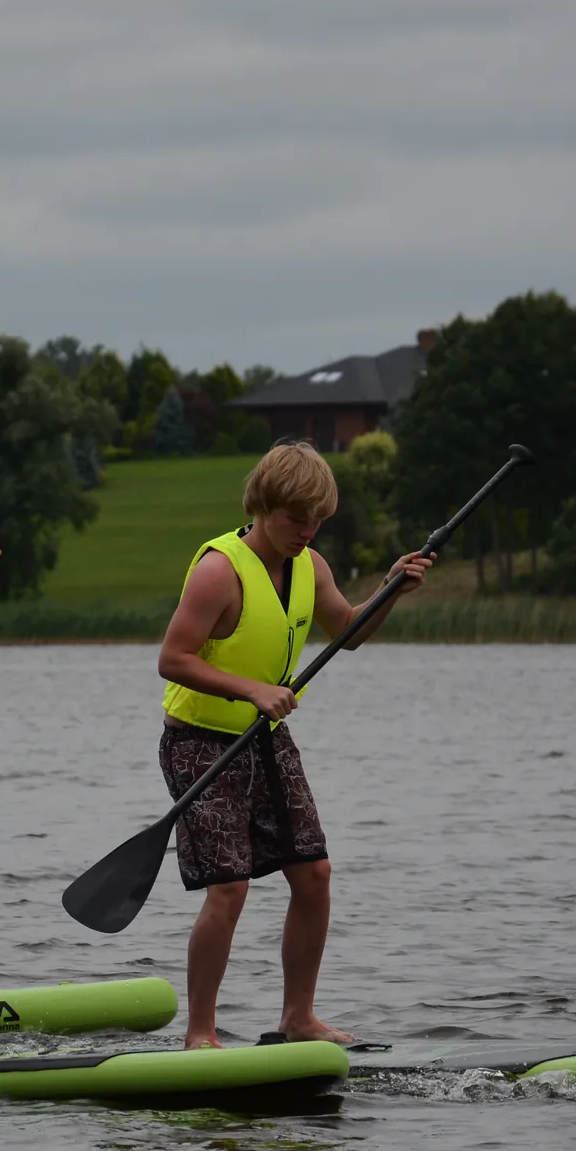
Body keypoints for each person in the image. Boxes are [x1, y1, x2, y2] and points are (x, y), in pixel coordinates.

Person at [156, 441, 432, 1048]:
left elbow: (349, 634)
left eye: (317, 521)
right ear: (263, 505)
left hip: (268, 739)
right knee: (229, 887)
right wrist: (252, 689)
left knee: (314, 874)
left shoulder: (312, 566)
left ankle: (298, 1018)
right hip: (200, 743)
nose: (306, 531)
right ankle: (199, 1034)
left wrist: (388, 590)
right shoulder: (217, 570)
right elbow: (171, 659)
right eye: (295, 518)